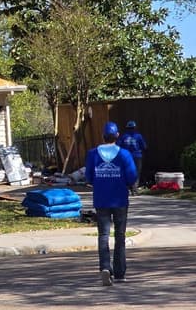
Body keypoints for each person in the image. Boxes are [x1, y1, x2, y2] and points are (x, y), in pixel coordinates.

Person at [86, 121, 137, 286]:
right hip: (120, 200)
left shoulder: (93, 154)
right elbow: (132, 177)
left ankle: (105, 268)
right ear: (117, 136)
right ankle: (120, 272)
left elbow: (88, 178)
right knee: (120, 236)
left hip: (101, 200)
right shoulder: (124, 155)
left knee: (103, 235)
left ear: (102, 136)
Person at [117, 121, 147, 193]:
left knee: (127, 171)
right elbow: (144, 146)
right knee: (137, 172)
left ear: (127, 128)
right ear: (135, 127)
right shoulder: (138, 136)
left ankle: (129, 186)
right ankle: (134, 188)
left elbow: (118, 146)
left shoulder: (124, 136)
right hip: (137, 156)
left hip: (126, 157)